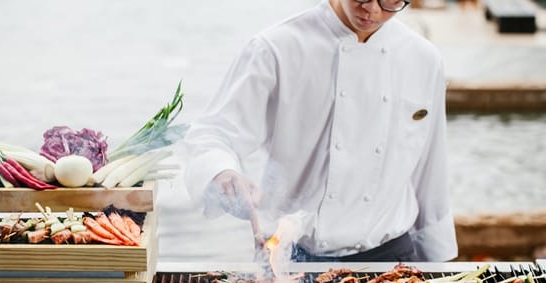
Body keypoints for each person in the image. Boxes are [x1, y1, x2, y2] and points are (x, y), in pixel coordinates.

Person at [182, 0, 458, 262]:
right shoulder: (276, 48)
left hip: (392, 257)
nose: (372, 9)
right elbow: (213, 133)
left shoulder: (423, 59)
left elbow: (430, 170)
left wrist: (440, 265)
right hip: (292, 256)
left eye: (391, 1)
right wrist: (222, 171)